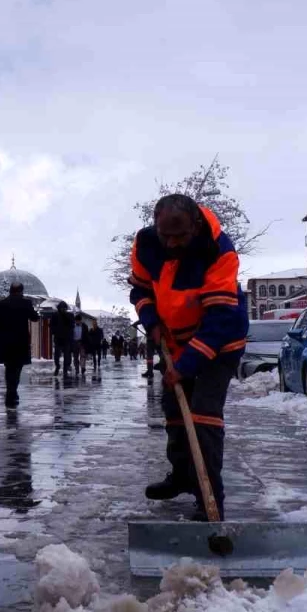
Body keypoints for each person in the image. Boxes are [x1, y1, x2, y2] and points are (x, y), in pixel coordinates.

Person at [129, 193, 248, 521]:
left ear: (195, 226)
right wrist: (151, 322)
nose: (170, 243)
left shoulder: (219, 250)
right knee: (175, 412)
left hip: (219, 342)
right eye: (164, 234)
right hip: (175, 342)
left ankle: (210, 498)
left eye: (179, 236)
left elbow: (220, 319)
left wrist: (186, 366)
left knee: (203, 414)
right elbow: (140, 291)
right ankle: (183, 476)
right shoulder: (145, 245)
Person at [0, 282, 39, 407]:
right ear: (21, 291)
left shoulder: (0, 304)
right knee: (17, 368)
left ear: (10, 290)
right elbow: (35, 318)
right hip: (20, 342)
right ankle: (12, 391)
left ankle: (10, 392)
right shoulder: (25, 304)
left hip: (5, 343)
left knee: (9, 367)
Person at [50, 301, 74, 377]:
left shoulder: (69, 315)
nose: (63, 309)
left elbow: (72, 325)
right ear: (59, 308)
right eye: (61, 308)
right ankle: (57, 366)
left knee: (66, 355)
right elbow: (51, 325)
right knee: (56, 355)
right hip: (58, 338)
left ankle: (65, 370)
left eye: (64, 308)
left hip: (66, 339)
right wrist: (54, 332)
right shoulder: (55, 315)